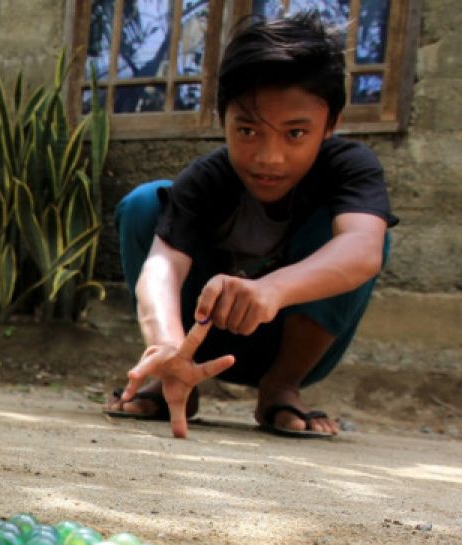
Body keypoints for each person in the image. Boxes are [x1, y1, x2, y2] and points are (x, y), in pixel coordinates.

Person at [103, 12, 397, 439]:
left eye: (295, 133)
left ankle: (281, 389)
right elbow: (161, 267)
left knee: (367, 231)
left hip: (290, 346)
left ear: (330, 126)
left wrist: (272, 289)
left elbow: (363, 249)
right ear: (222, 119)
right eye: (248, 130)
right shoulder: (205, 179)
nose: (269, 158)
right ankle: (175, 377)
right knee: (146, 202)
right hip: (202, 339)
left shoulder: (349, 170)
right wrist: (167, 345)